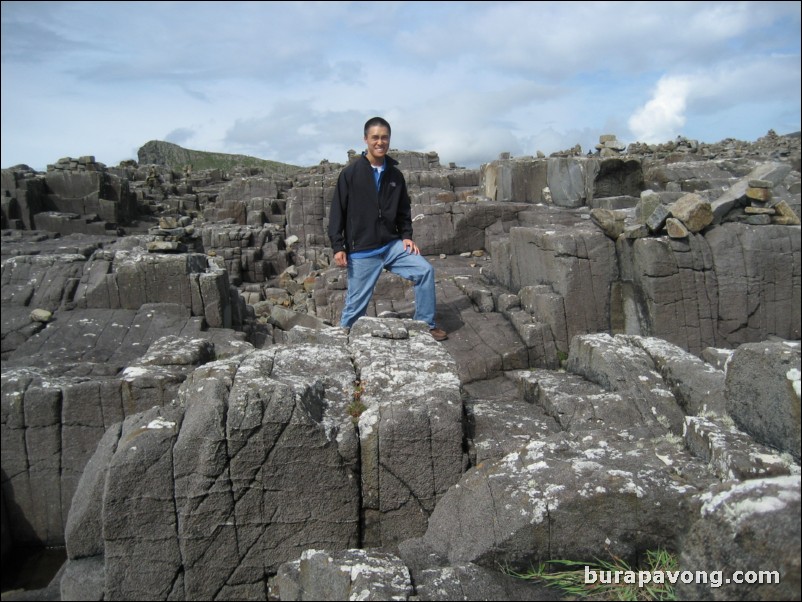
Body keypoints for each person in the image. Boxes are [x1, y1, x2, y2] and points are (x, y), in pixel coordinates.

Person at [328, 117, 448, 341]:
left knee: (424, 270)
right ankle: (342, 342)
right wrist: (338, 246)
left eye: (384, 137)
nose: (380, 142)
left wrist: (406, 236)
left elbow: (404, 210)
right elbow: (337, 212)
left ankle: (425, 324)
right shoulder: (350, 174)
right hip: (363, 250)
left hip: (392, 245)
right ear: (366, 139)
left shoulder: (395, 175)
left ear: (389, 140)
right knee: (354, 310)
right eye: (375, 137)